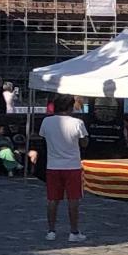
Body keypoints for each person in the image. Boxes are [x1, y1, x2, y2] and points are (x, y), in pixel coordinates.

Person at [36, 93, 87, 241]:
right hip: (72, 166)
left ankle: (51, 231)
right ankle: (74, 232)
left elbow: (43, 137)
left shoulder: (46, 122)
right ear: (71, 107)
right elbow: (84, 143)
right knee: (73, 199)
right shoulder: (77, 123)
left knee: (52, 199)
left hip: (53, 165)